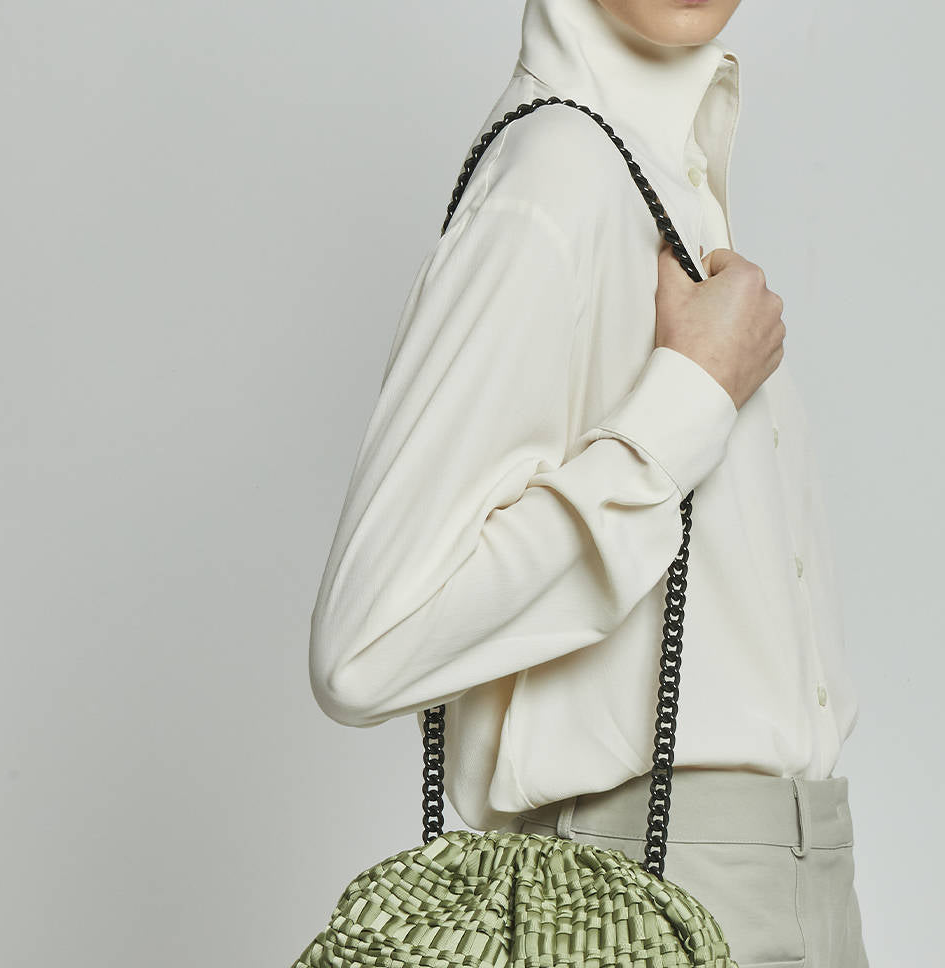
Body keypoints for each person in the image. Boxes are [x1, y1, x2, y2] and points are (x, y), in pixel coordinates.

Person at [308, 0, 870, 963]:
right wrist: (689, 399)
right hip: (634, 888)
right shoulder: (559, 176)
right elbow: (367, 644)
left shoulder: (655, 175)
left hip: (805, 874)